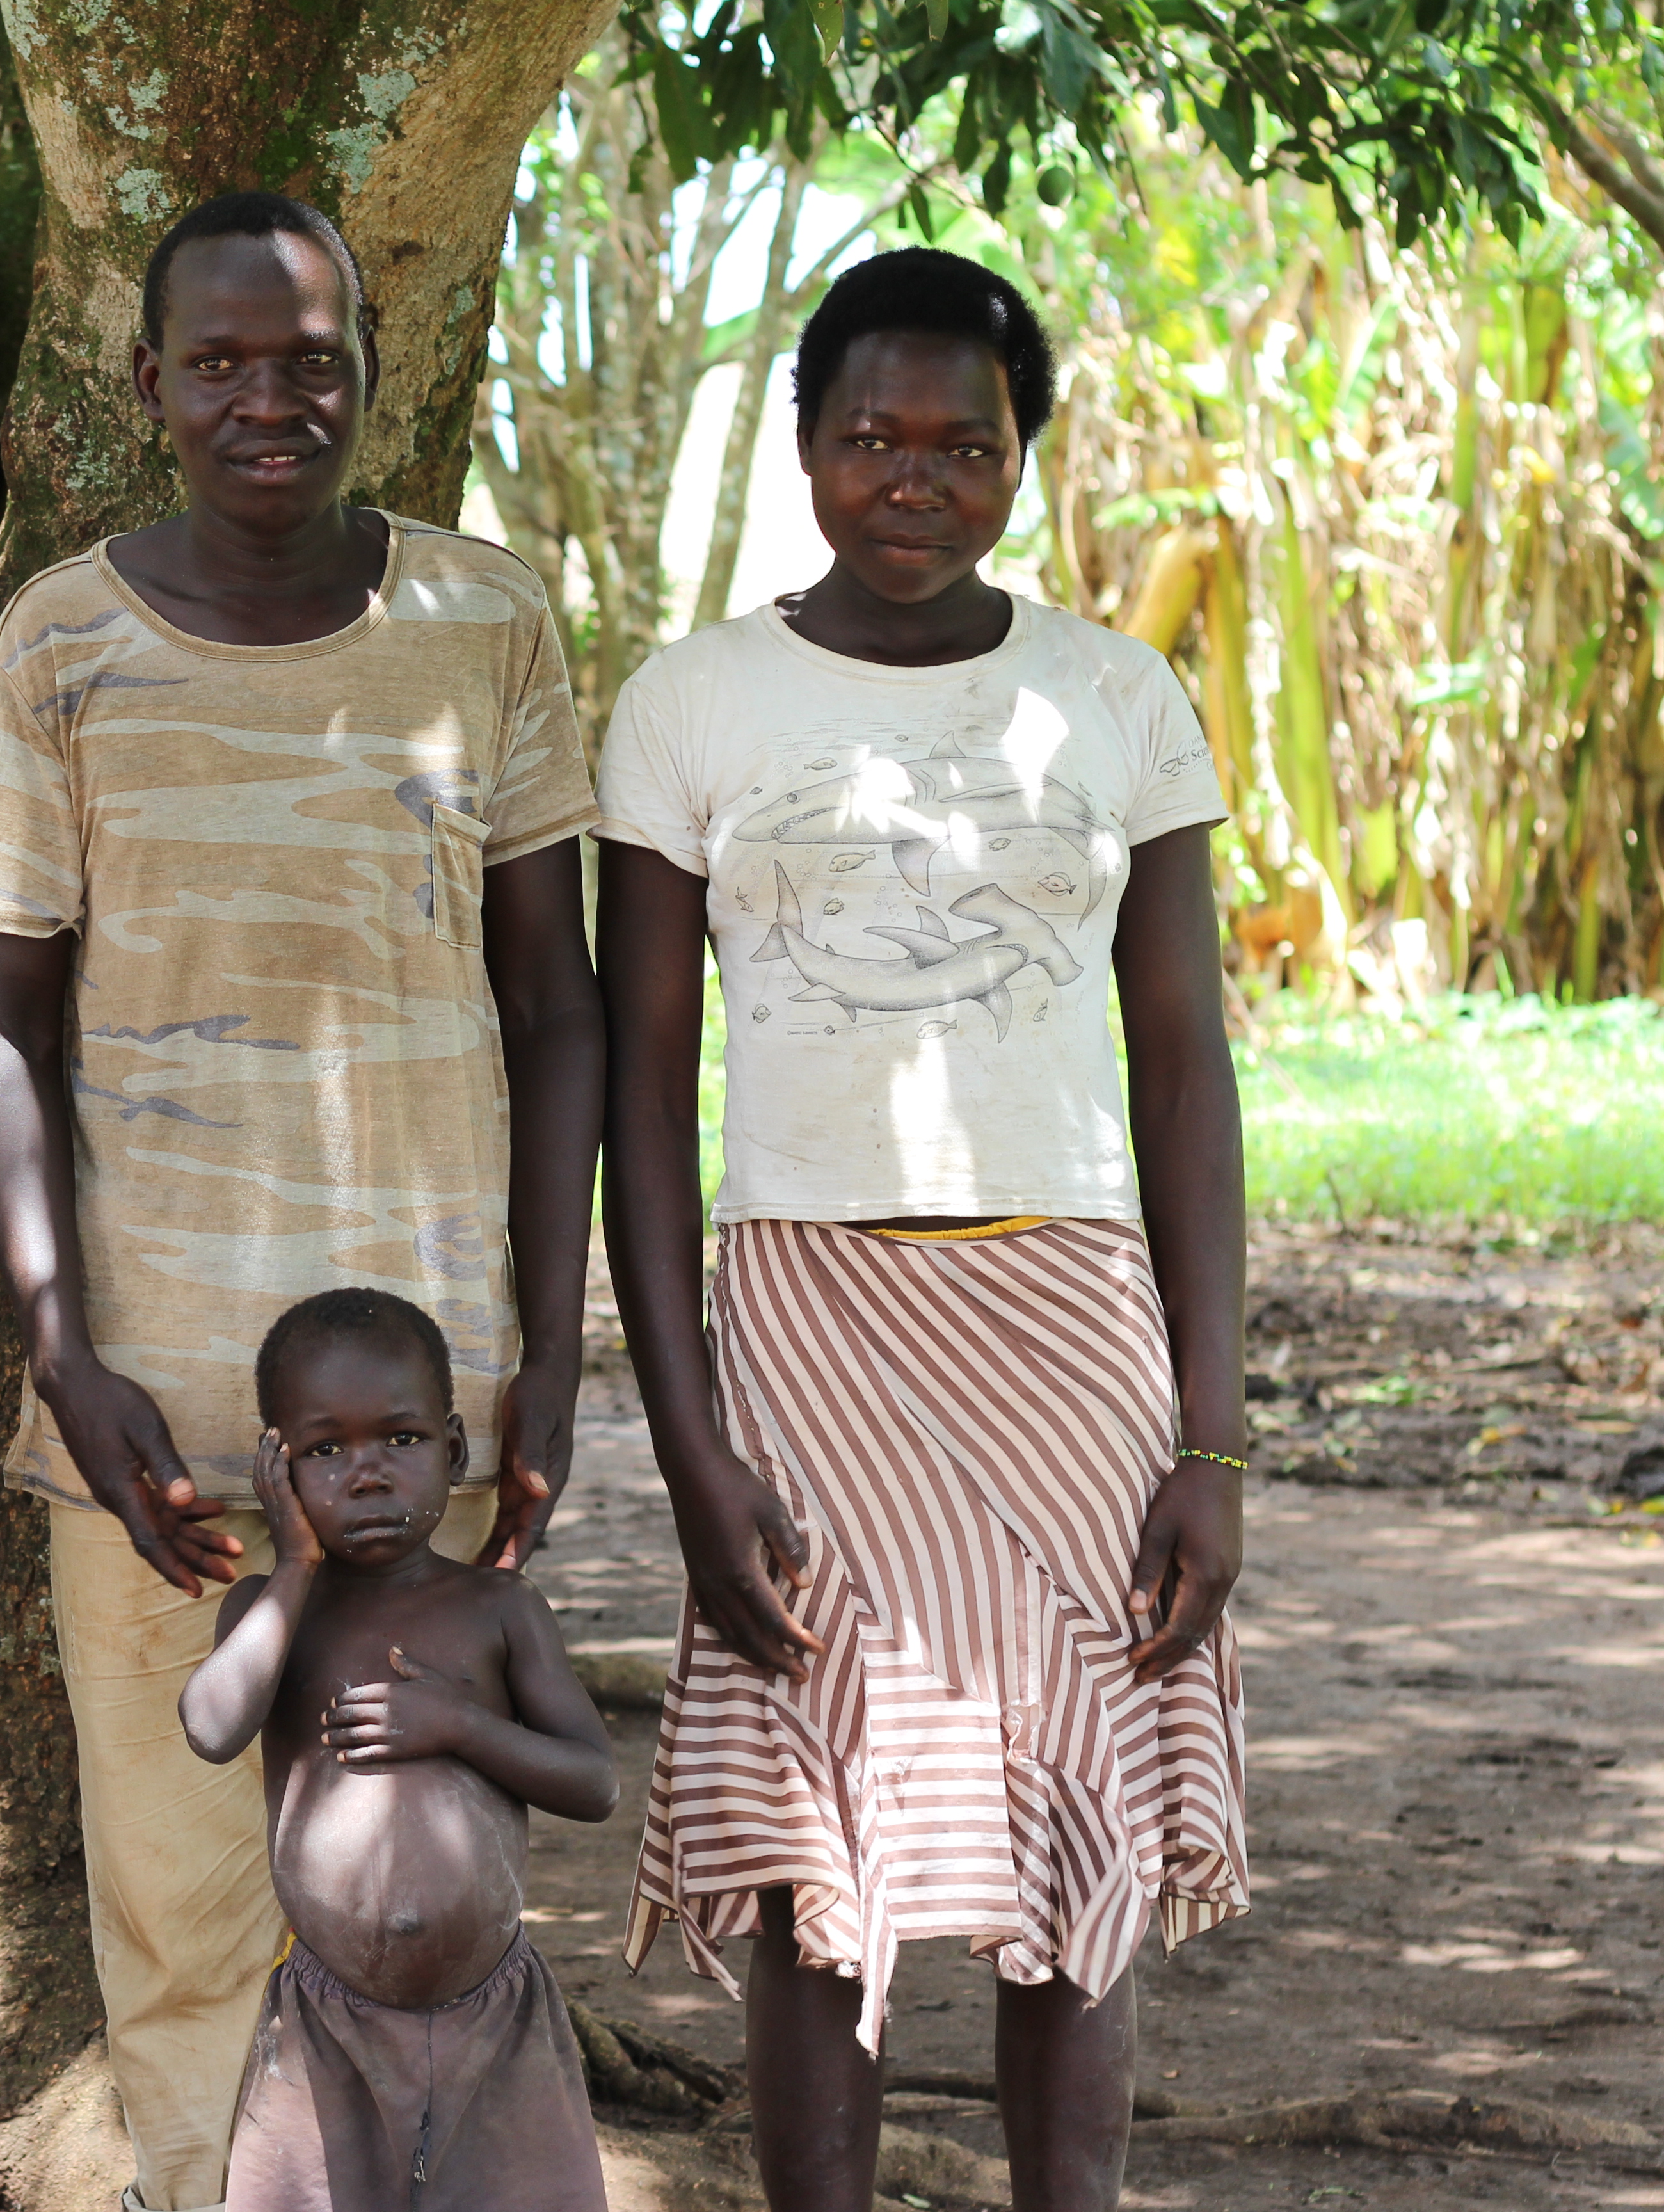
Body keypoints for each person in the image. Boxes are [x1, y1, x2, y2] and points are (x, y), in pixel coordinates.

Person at [0, 190, 605, 2210]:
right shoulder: (60, 643)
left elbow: (558, 1011)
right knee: (185, 1940)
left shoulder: (486, 623)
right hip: (157, 1432)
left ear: (371, 375)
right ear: (146, 384)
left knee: (423, 1912)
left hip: (426, 1422)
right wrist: (61, 1350)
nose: (266, 399)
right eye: (219, 363)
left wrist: (551, 1347)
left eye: (308, 360)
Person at [593, 247, 1252, 2212]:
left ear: (1022, 458)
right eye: (873, 436)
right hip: (805, 1311)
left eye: (968, 445)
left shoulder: (1116, 699)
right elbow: (639, 1098)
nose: (917, 479)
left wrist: (1213, 1439)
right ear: (805, 443)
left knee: (1082, 1802)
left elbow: (1187, 1072)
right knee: (823, 1826)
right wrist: (689, 1443)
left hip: (1074, 1319)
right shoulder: (694, 702)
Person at [179, 1288, 619, 2212]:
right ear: (277, 1470)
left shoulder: (497, 1609)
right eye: (324, 1451)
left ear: (453, 1450)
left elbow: (595, 1784)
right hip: (326, 2023)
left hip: (496, 2015)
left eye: (402, 1439)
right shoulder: (271, 1612)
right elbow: (212, 1728)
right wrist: (293, 1566)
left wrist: (460, 1726)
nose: (368, 1475)